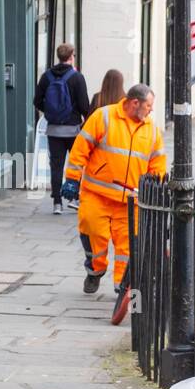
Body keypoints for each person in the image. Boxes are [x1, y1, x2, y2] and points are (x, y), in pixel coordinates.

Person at [61, 84, 167, 324]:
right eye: (148, 106)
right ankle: (95, 268)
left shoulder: (152, 130)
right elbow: (81, 148)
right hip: (97, 193)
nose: (151, 111)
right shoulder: (104, 116)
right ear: (134, 103)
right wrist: (72, 178)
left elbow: (158, 162)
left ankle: (123, 288)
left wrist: (157, 187)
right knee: (91, 229)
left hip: (131, 201)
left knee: (128, 247)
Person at [34, 43, 91, 215]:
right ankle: (74, 198)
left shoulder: (46, 77)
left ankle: (57, 203)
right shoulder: (77, 78)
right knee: (75, 165)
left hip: (53, 130)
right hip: (73, 129)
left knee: (56, 166)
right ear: (72, 56)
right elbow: (84, 106)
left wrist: (52, 112)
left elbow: (37, 101)